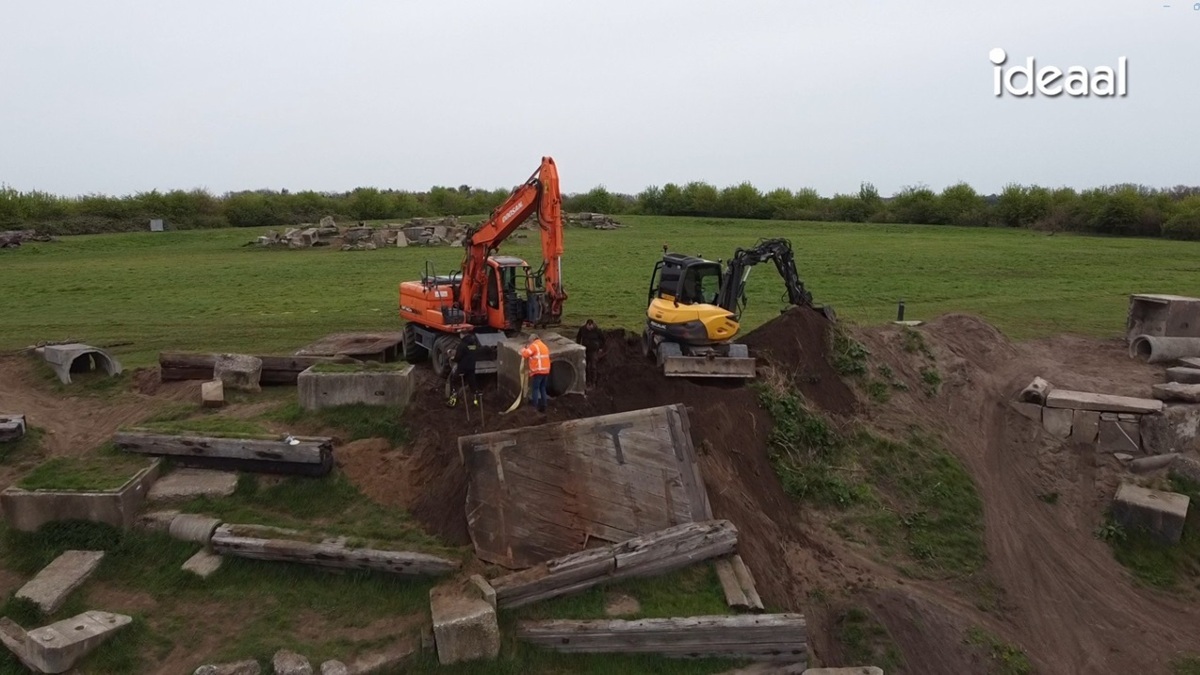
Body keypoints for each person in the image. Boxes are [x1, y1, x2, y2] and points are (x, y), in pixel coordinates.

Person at [520, 332, 551, 413]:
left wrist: (523, 349)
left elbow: (526, 354)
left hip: (538, 371)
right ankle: (544, 405)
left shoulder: (534, 346)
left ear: (533, 339)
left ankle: (534, 406)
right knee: (543, 388)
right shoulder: (544, 345)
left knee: (535, 389)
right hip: (546, 371)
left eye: (530, 341)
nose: (530, 343)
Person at [451, 332, 481, 406]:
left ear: (462, 335)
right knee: (473, 384)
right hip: (471, 367)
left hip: (462, 368)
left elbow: (458, 357)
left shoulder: (462, 345)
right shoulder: (474, 344)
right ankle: (476, 401)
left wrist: (453, 359)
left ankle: (453, 399)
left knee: (454, 380)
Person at [575, 319, 606, 387]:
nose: (590, 328)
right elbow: (578, 337)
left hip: (593, 350)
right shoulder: (582, 329)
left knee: (593, 366)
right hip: (585, 349)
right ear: (587, 325)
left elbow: (603, 339)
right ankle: (586, 381)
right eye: (588, 327)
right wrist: (578, 345)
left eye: (591, 327)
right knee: (584, 365)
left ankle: (593, 382)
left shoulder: (597, 330)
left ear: (592, 325)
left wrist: (600, 347)